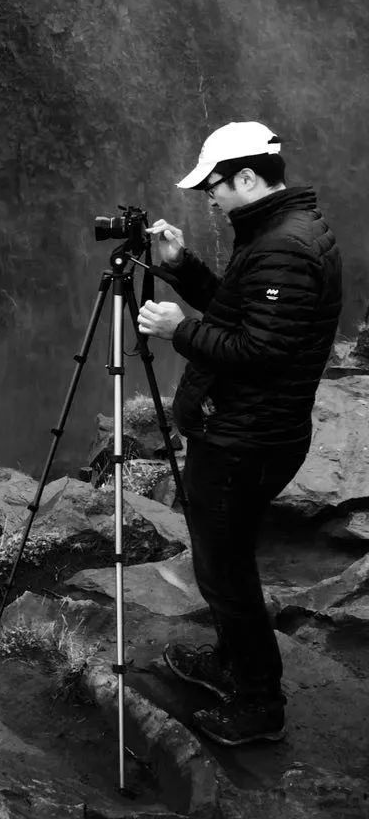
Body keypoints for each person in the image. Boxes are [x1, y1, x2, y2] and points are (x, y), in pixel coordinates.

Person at [136, 121, 342, 747]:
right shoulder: (282, 233)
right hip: (252, 430)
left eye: (214, 186)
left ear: (248, 178)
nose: (209, 198)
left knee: (224, 570)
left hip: (246, 440)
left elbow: (260, 349)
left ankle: (258, 704)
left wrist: (178, 331)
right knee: (221, 556)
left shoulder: (283, 246)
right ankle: (233, 664)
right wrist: (182, 269)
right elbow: (244, 307)